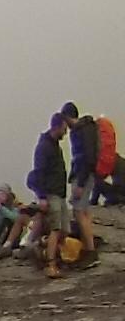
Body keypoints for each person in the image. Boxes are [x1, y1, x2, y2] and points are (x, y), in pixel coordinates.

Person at [31, 111, 73, 278]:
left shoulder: (54, 145)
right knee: (56, 229)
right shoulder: (44, 147)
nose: (66, 132)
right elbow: (39, 172)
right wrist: (41, 196)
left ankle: (41, 247)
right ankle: (51, 265)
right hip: (51, 193)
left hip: (60, 193)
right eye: (64, 128)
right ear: (57, 127)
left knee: (64, 231)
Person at [62, 103, 100, 268]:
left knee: (78, 211)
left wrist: (81, 183)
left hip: (84, 176)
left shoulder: (81, 130)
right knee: (84, 210)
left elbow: (87, 158)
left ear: (68, 117)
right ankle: (87, 245)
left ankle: (91, 252)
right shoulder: (87, 128)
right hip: (84, 174)